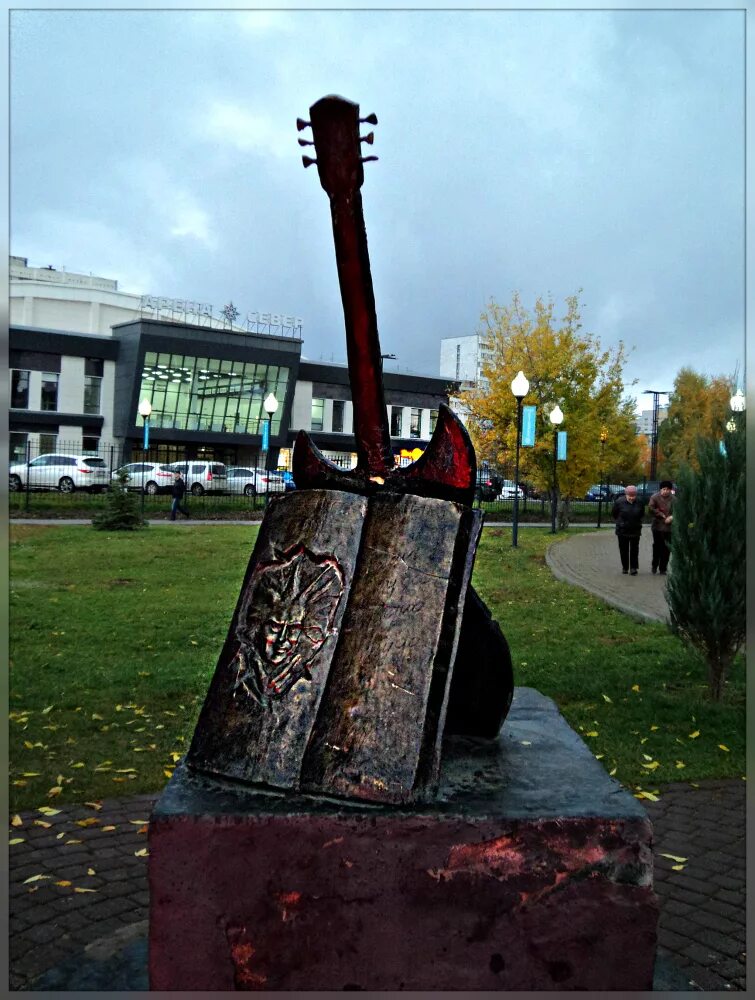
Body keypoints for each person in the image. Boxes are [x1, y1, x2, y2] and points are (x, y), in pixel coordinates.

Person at [611, 484, 645, 575]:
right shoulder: (619, 502)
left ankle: (633, 568)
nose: (631, 498)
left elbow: (642, 513)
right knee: (623, 549)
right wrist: (621, 522)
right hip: (622, 529)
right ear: (626, 495)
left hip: (635, 529)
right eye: (630, 496)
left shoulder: (640, 502)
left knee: (634, 550)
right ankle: (625, 567)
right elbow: (614, 513)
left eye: (633, 496)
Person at [648, 480, 674, 575]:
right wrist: (661, 515)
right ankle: (654, 565)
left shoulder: (674, 499)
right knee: (657, 547)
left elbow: (678, 510)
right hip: (657, 526)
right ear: (661, 489)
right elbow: (650, 509)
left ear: (670, 490)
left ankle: (663, 568)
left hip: (669, 528)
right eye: (664, 489)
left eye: (668, 489)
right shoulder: (655, 497)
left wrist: (672, 517)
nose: (665, 491)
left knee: (666, 548)